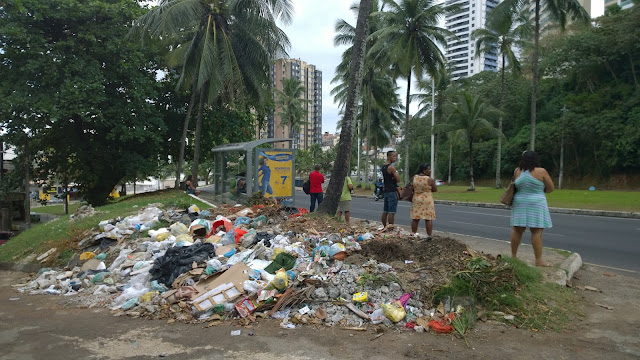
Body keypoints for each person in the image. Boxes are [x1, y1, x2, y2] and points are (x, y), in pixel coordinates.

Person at [510, 150, 555, 267]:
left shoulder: (517, 171)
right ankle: (538, 260)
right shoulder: (541, 171)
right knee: (536, 231)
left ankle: (513, 257)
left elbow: (514, 186)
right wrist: (540, 190)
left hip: (520, 202)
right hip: (537, 203)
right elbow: (551, 188)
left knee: (517, 230)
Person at [410, 163, 437, 240]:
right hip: (427, 200)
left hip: (416, 199)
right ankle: (429, 235)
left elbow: (412, 188)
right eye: (429, 169)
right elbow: (435, 190)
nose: (430, 170)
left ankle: (413, 234)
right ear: (424, 171)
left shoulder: (414, 177)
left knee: (415, 218)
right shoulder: (430, 179)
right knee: (428, 218)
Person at [380, 150, 402, 228]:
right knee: (391, 212)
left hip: (386, 190)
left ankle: (384, 226)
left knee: (385, 211)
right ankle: (390, 227)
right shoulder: (391, 167)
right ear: (389, 156)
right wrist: (395, 173)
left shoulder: (383, 167)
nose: (395, 158)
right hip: (392, 191)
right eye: (393, 156)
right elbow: (398, 179)